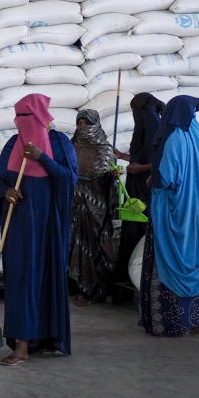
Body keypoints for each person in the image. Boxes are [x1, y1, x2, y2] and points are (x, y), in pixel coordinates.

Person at [0, 94, 78, 366]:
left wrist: (44, 159)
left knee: (47, 278)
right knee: (21, 281)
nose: (22, 124)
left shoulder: (59, 143)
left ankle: (47, 338)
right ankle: (21, 346)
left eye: (26, 119)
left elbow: (70, 179)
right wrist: (8, 192)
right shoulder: (12, 144)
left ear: (39, 119)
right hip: (19, 228)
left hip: (49, 227)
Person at [139, 96, 199, 338]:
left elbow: (167, 177)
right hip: (194, 210)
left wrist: (154, 179)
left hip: (172, 210)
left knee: (166, 261)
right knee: (192, 262)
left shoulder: (173, 137)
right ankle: (196, 322)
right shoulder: (196, 134)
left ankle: (171, 324)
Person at [68, 109, 118, 306]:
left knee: (95, 246)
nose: (82, 129)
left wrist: (112, 179)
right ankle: (78, 287)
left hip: (95, 210)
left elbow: (110, 185)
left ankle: (94, 290)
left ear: (95, 125)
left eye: (86, 124)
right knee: (74, 246)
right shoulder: (71, 147)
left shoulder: (105, 150)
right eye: (79, 124)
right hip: (74, 207)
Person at [114, 93, 164, 279]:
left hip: (147, 188)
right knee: (132, 227)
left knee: (141, 228)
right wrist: (121, 156)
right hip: (136, 187)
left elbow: (162, 161)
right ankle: (127, 273)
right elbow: (140, 156)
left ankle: (138, 272)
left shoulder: (156, 128)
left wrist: (139, 168)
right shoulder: (144, 129)